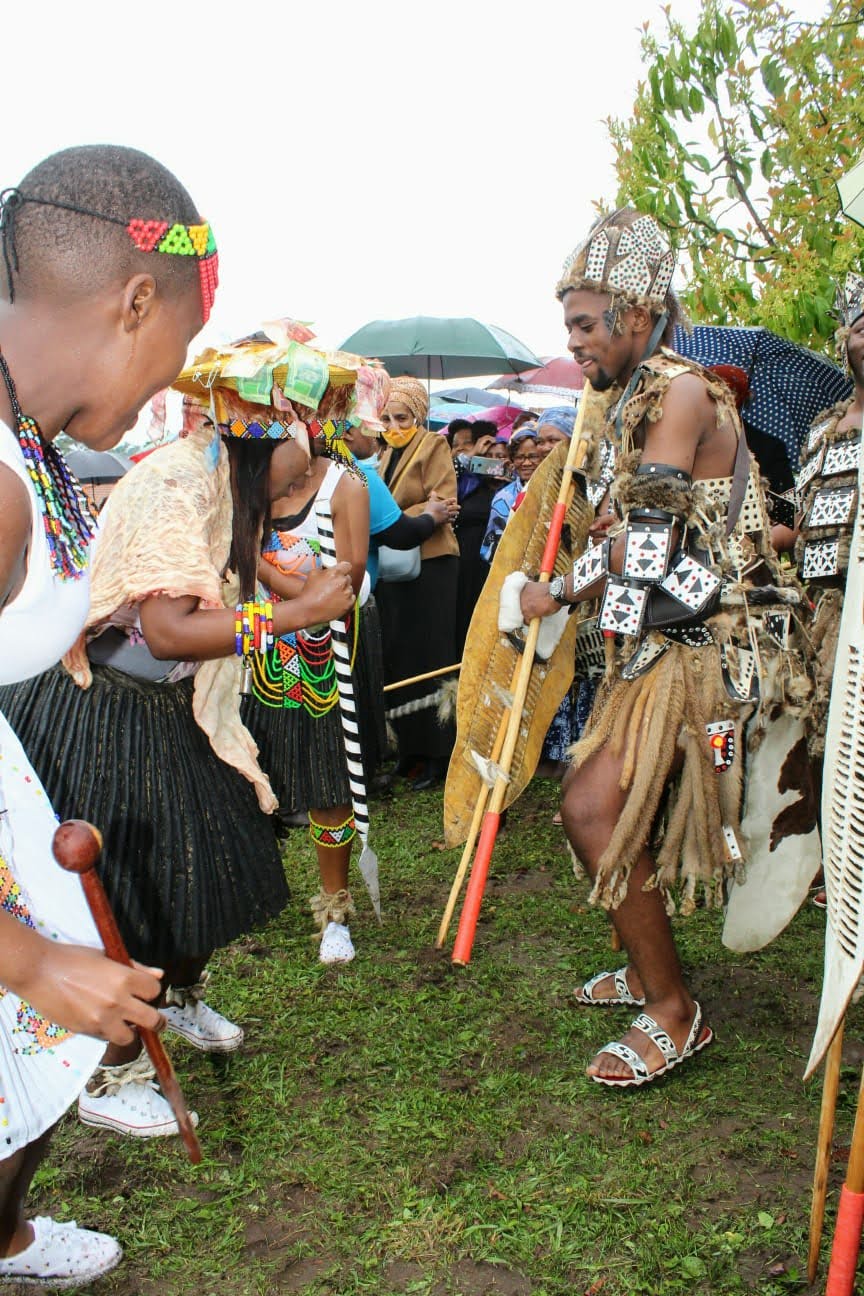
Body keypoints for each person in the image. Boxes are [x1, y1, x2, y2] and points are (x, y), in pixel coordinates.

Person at [0, 338, 355, 1135]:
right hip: (107, 705)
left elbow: (243, 567)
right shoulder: (174, 478)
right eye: (302, 424)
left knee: (216, 852)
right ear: (260, 421)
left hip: (176, 706)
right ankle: (110, 1073)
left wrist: (302, 589)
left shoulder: (234, 478)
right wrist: (296, 616)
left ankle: (178, 997)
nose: (316, 444)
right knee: (128, 890)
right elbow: (166, 628)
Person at [517, 207, 813, 1087]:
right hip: (659, 641)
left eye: (583, 321)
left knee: (590, 809)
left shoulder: (679, 391)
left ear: (637, 313)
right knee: (599, 804)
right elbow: (640, 527)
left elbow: (649, 546)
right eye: (568, 322)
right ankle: (648, 967)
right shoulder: (637, 401)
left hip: (704, 647)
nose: (572, 341)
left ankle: (674, 1012)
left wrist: (557, 590)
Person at [0, 143, 215, 1289]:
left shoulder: (28, 442)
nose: (159, 395)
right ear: (137, 301)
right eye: (172, 355)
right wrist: (27, 956)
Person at [376, 377, 460, 790]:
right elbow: (417, 507)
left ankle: (439, 756)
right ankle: (410, 751)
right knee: (399, 655)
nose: (394, 424)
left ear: (420, 415)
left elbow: (443, 501)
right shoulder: (382, 454)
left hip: (432, 563)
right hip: (396, 566)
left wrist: (392, 516)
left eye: (402, 417)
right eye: (388, 417)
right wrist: (409, 512)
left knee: (432, 656)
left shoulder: (433, 445)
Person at [794, 272, 864, 762]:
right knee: (828, 748)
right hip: (821, 612)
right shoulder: (823, 427)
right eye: (862, 328)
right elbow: (800, 521)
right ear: (845, 343)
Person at [479, 425, 540, 563]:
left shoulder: (556, 491)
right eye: (519, 457)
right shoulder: (503, 498)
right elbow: (491, 547)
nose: (526, 463)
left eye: (533, 456)